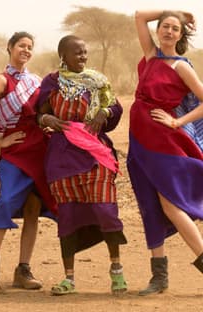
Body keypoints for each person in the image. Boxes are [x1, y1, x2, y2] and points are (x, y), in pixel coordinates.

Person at [36, 35, 127, 295]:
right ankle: (69, 278)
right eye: (77, 53)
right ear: (62, 55)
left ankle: (117, 270)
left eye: (85, 52)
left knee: (106, 210)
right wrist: (48, 119)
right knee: (68, 216)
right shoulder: (51, 82)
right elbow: (38, 114)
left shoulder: (98, 81)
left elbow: (114, 107)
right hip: (62, 157)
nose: (83, 57)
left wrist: (105, 112)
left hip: (95, 155)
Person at [0, 31, 57, 295]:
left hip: (38, 150)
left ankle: (23, 269)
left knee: (33, 209)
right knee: (6, 202)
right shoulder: (1, 80)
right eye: (21, 45)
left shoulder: (36, 81)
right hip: (15, 151)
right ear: (9, 48)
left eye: (30, 47)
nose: (26, 50)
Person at [128, 10, 203, 296]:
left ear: (181, 36)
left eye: (175, 28)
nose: (169, 31)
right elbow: (138, 16)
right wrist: (177, 12)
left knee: (170, 204)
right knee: (150, 206)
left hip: (163, 143)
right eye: (165, 27)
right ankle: (159, 277)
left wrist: (178, 121)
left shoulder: (181, 66)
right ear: (158, 31)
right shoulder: (150, 56)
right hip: (139, 142)